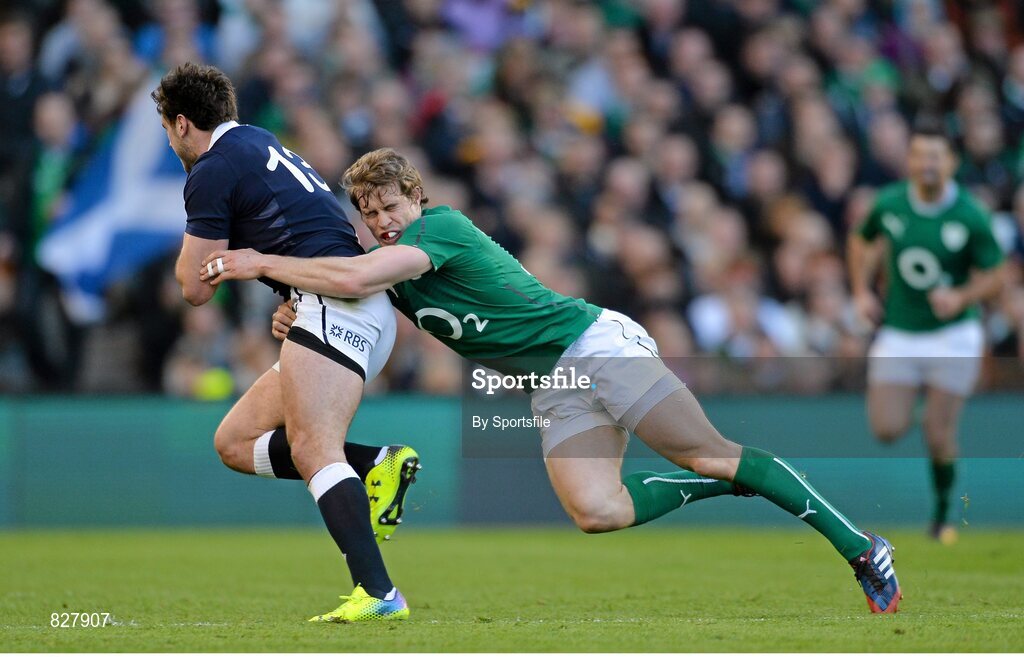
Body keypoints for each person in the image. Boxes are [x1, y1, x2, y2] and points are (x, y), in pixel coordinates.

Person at [200, 148, 903, 614]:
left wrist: (258, 262)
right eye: (372, 213)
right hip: (554, 383)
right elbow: (350, 295)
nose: (382, 221)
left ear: (416, 197)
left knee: (706, 446)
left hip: (595, 345)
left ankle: (861, 547)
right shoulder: (396, 267)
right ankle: (729, 480)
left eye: (391, 206)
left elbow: (353, 276)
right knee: (599, 511)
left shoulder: (439, 229)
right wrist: (299, 313)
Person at [152, 63, 418, 623]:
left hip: (337, 304)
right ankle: (377, 463)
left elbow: (193, 287)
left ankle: (378, 593)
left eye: (167, 130)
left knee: (313, 447)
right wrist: (290, 289)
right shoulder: (259, 141)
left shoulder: (211, 167)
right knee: (234, 441)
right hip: (344, 303)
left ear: (180, 124)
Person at [848, 122, 1006, 544]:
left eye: (935, 155)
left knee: (938, 433)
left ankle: (941, 516)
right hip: (900, 331)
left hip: (953, 334)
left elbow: (997, 275)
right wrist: (861, 290)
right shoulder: (890, 203)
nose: (926, 164)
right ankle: (923, 398)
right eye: (919, 155)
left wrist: (961, 295)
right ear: (910, 161)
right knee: (886, 428)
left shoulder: (970, 214)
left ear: (951, 162)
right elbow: (862, 241)